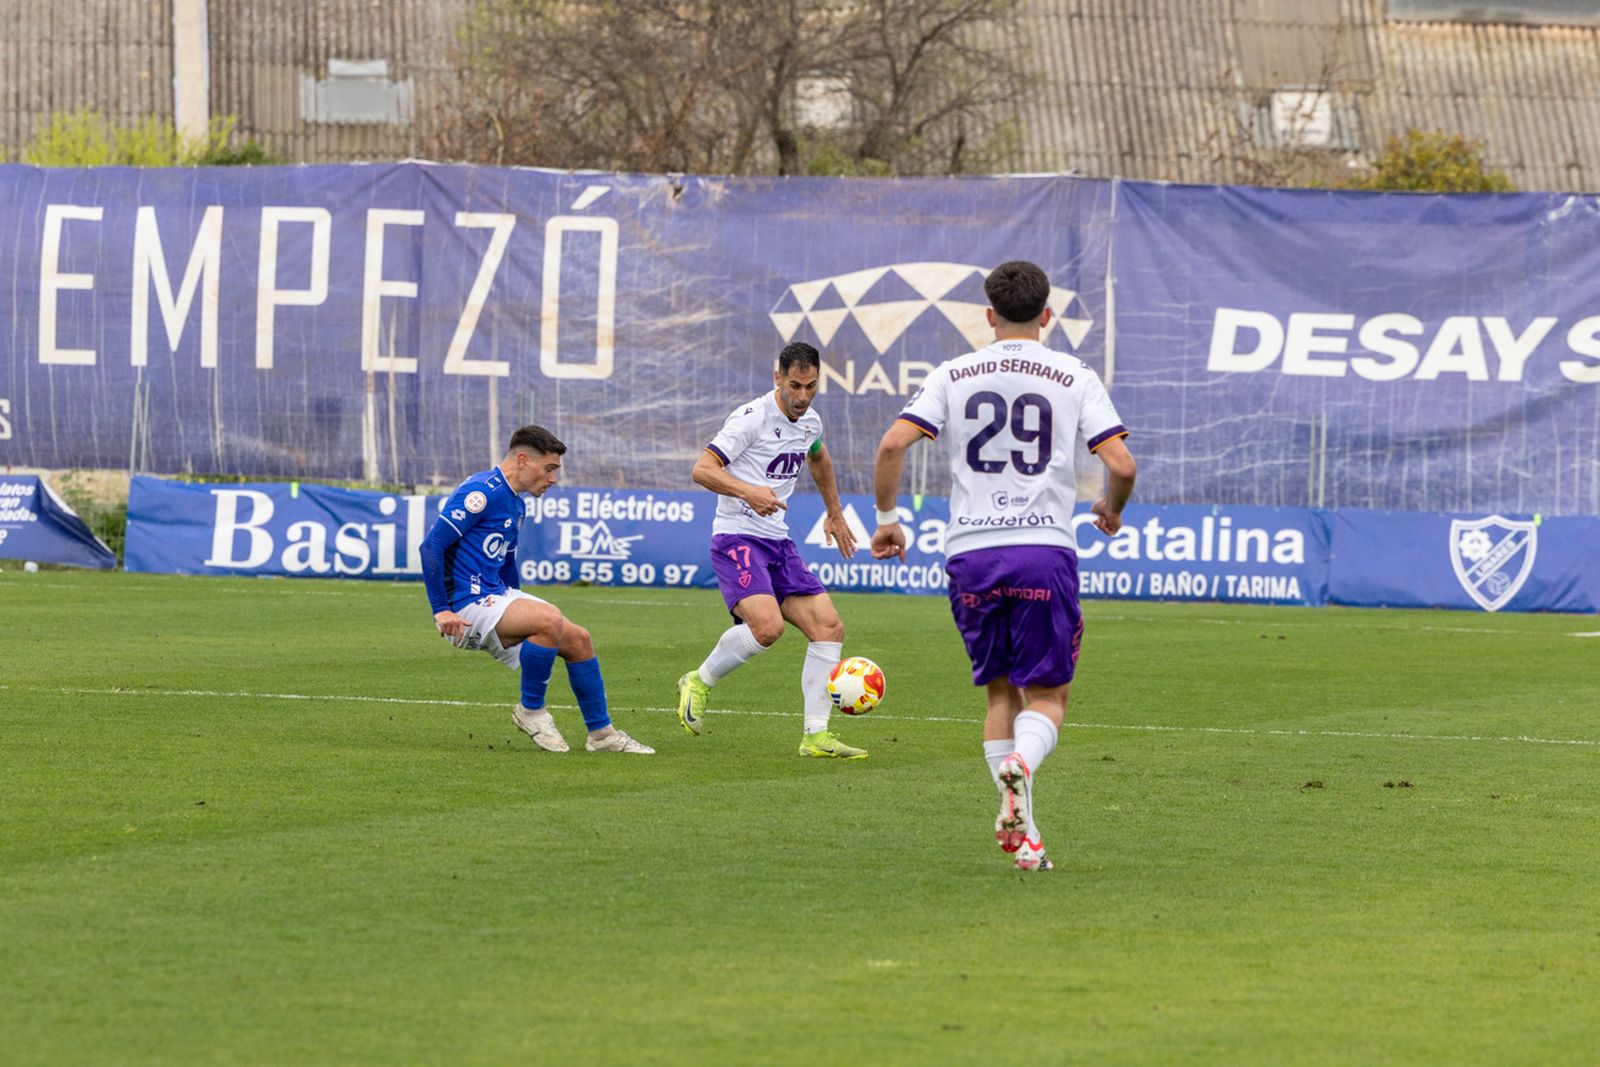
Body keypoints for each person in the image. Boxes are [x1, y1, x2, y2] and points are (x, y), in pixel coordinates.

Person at [870, 260, 1136, 870]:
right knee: (1048, 695)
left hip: (971, 552)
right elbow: (1120, 466)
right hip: (1041, 548)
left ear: (989, 317)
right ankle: (1024, 763)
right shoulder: (1073, 373)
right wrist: (1110, 509)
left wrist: (887, 518)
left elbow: (891, 444)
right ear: (1047, 316)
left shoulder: (953, 373)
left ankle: (1028, 836)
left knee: (1000, 694)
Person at [674, 341, 868, 759]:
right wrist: (749, 491)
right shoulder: (751, 419)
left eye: (811, 387)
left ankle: (816, 737)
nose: (802, 397)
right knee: (767, 628)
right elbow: (702, 469)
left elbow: (818, 457)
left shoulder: (809, 422)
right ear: (777, 377)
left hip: (777, 540)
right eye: (795, 385)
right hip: (736, 536)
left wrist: (834, 511)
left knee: (829, 627)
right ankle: (698, 681)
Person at [420, 425, 654, 755]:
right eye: (549, 468)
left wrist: (518, 611)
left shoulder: (516, 504)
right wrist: (441, 610)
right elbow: (431, 547)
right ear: (522, 460)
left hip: (495, 596)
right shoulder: (480, 493)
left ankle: (601, 735)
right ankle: (530, 711)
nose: (553, 478)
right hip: (464, 606)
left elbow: (505, 564)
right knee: (547, 619)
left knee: (578, 639)